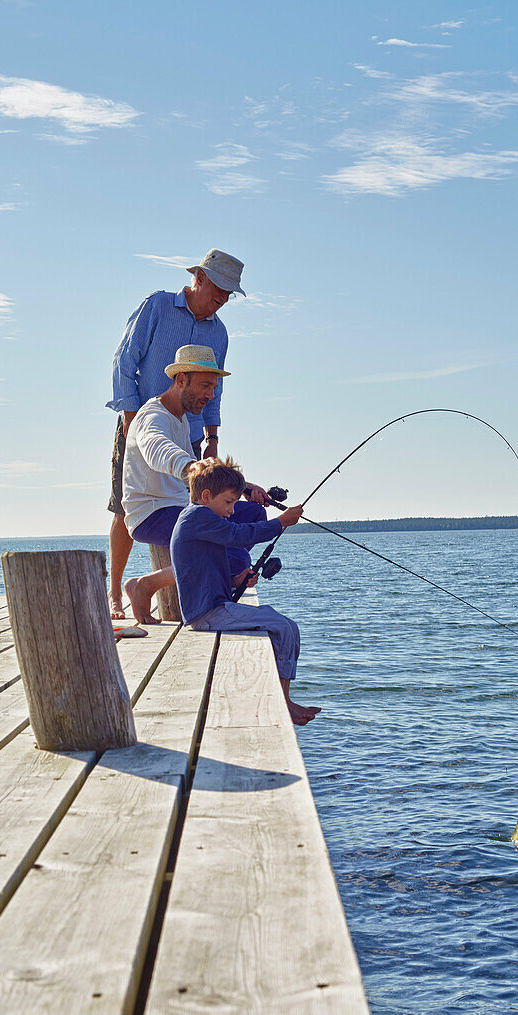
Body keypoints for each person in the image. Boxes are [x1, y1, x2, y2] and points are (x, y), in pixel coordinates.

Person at [106, 248, 246, 619]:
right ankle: (116, 594)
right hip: (142, 421)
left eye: (228, 295)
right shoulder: (157, 306)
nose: (222, 300)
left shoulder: (219, 332)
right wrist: (133, 418)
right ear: (198, 278)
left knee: (199, 510)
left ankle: (173, 590)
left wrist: (213, 440)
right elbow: (125, 361)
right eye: (219, 290)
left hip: (191, 429)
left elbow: (213, 391)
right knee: (124, 506)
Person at [121, 344, 267, 623]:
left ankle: (221, 571)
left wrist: (244, 488)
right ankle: (145, 585)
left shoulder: (181, 419)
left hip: (180, 507)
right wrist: (191, 466)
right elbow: (158, 449)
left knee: (254, 515)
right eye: (204, 386)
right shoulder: (152, 417)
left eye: (213, 387)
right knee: (233, 556)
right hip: (152, 514)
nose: (210, 395)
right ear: (181, 380)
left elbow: (204, 477)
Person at [171, 459, 321, 727]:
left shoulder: (202, 519)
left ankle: (283, 698)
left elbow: (205, 571)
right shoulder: (197, 516)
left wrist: (236, 579)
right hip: (206, 614)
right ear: (206, 496)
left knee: (288, 626)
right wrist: (281, 523)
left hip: (213, 607)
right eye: (228, 502)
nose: (231, 510)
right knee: (282, 627)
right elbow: (239, 535)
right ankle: (282, 703)